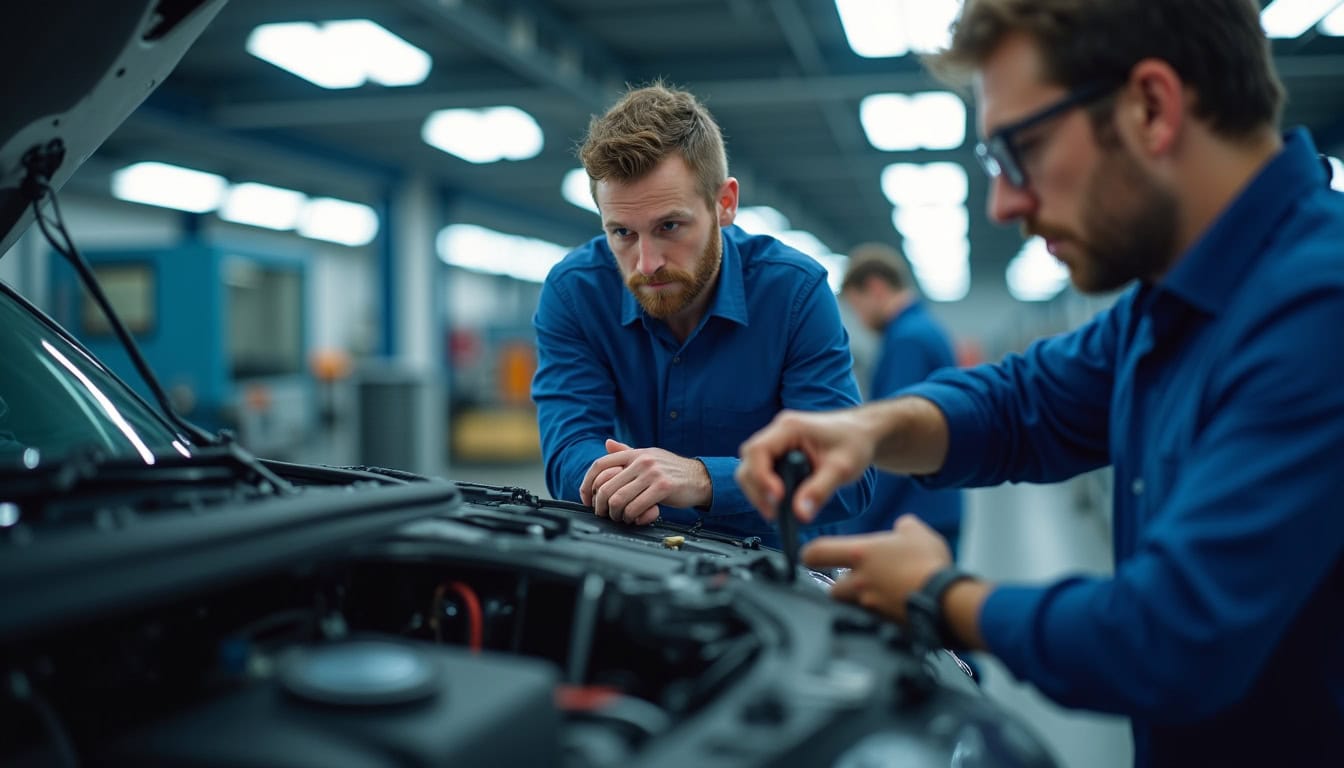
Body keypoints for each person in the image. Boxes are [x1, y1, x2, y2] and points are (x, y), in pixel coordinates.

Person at [734, 1, 1344, 765]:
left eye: (1019, 151)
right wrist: (870, 429)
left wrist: (939, 595)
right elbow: (1028, 401)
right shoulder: (1178, 301)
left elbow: (1176, 637)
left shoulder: (1318, 305)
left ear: (1151, 107)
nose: (1004, 203)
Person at [532, 82, 874, 545]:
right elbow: (568, 447)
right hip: (646, 564)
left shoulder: (794, 292)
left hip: (778, 575)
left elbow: (847, 476)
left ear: (724, 204)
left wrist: (704, 479)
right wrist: (614, 483)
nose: (646, 263)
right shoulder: (575, 293)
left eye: (669, 226)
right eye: (622, 233)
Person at [829, 243, 964, 552]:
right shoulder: (924, 329)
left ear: (876, 288)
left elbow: (895, 438)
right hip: (933, 507)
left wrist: (856, 522)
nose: (859, 318)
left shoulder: (908, 342)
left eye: (856, 304)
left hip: (914, 517)